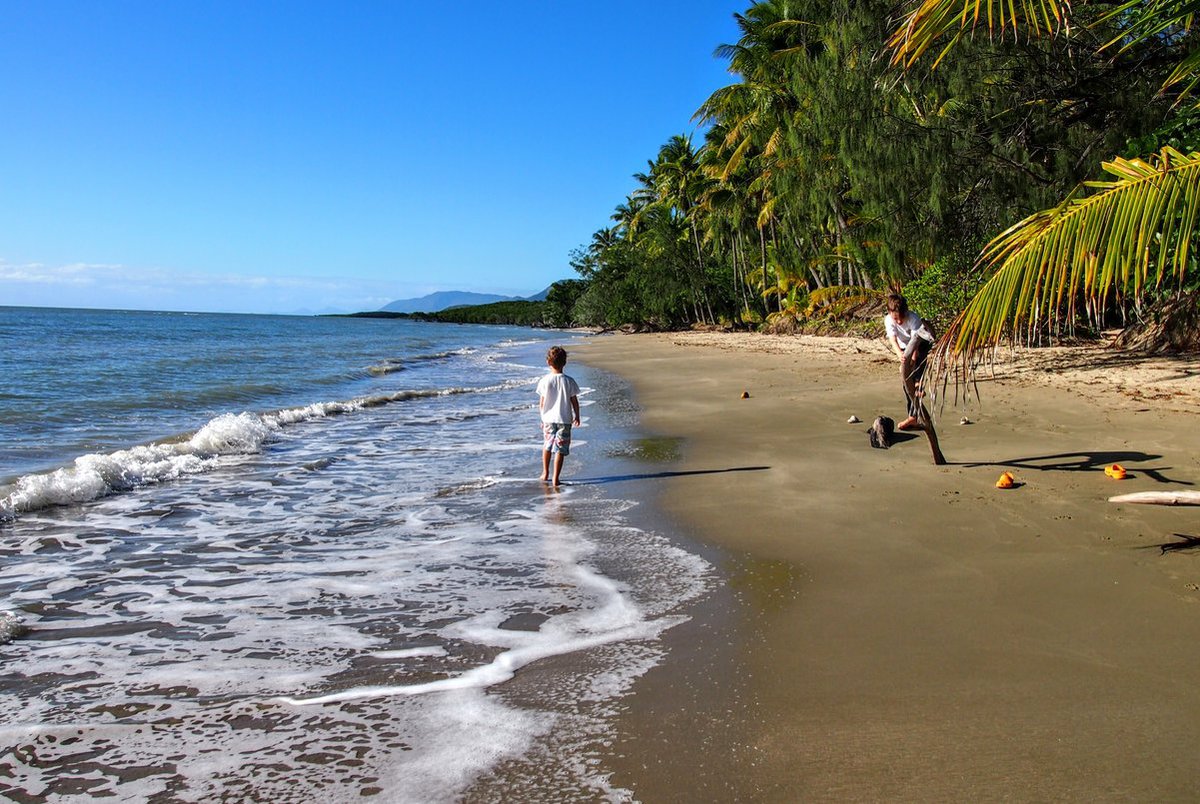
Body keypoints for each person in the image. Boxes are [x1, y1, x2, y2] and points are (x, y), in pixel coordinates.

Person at [884, 294, 936, 431]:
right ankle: (913, 415)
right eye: (896, 319)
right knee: (906, 382)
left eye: (902, 317)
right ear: (890, 313)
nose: (900, 321)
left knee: (918, 362)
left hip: (920, 343)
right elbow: (893, 340)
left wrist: (912, 358)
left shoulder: (913, 318)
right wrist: (901, 355)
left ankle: (919, 382)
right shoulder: (889, 320)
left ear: (906, 312)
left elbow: (916, 341)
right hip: (903, 347)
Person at [536, 345, 581, 485]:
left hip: (548, 419)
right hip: (564, 419)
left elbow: (541, 403)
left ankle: (545, 472)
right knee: (560, 449)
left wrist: (542, 418)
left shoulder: (544, 380)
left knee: (547, 445)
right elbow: (574, 401)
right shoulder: (569, 381)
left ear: (548, 362)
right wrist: (577, 416)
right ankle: (556, 478)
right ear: (565, 362)